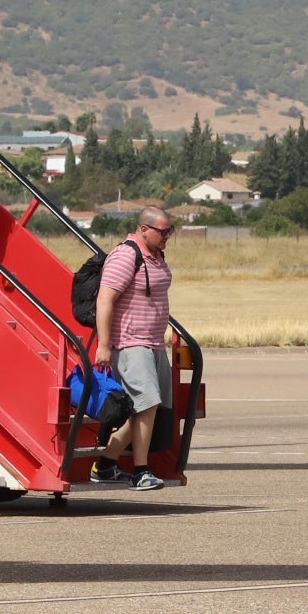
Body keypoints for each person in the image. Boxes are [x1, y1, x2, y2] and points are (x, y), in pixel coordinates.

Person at [90, 207, 175, 491]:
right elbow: (105, 300)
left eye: (170, 231)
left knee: (150, 408)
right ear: (143, 229)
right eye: (163, 231)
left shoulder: (156, 256)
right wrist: (104, 345)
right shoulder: (126, 256)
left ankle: (105, 464)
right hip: (130, 343)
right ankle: (141, 471)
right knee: (147, 403)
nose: (167, 237)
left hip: (153, 344)